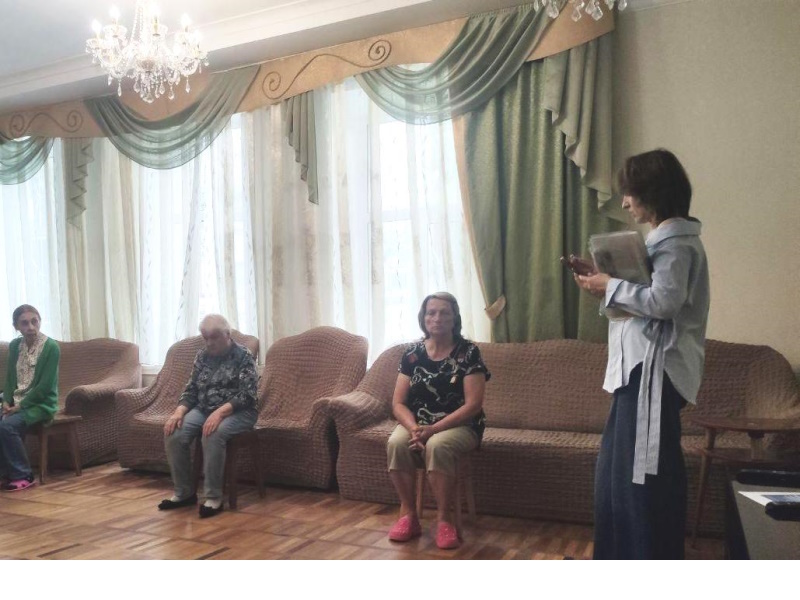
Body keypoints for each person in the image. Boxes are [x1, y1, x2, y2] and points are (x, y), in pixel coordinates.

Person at [571, 149, 710, 559]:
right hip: (639, 373)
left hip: (652, 374)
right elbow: (651, 301)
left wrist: (610, 285)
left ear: (652, 192)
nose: (626, 202)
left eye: (630, 193)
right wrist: (603, 283)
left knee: (641, 479)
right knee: (617, 478)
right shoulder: (666, 240)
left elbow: (664, 302)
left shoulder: (676, 244)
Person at [386, 292, 490, 549]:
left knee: (438, 445)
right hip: (418, 424)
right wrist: (414, 428)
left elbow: (473, 405)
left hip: (460, 425)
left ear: (455, 318)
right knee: (396, 443)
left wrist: (432, 430)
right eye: (431, 312)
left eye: (444, 312)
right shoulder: (412, 354)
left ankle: (445, 520)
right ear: (423, 318)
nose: (437, 317)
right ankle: (409, 515)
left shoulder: (469, 353)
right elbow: (398, 403)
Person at [158, 314, 258, 518]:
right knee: (174, 432)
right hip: (204, 409)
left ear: (227, 335)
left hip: (240, 411)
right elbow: (191, 390)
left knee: (212, 433)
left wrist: (220, 413)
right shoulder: (202, 356)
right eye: (206, 338)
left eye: (214, 337)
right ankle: (184, 493)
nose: (209, 343)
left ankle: (213, 498)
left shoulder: (244, 356)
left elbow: (247, 395)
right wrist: (178, 412)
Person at [1, 305, 60, 491]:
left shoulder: (51, 347)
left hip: (41, 405)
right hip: (15, 402)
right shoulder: (14, 346)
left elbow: (45, 387)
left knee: (7, 426)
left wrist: (20, 406)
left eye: (34, 321)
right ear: (16, 326)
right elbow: (10, 379)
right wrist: (6, 401)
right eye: (24, 323)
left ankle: (23, 475)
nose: (31, 327)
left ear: (40, 321)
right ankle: (4, 474)